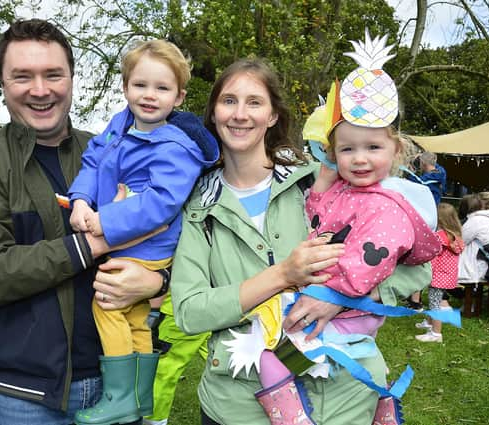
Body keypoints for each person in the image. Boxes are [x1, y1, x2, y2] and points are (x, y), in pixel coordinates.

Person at [171, 57, 432, 425]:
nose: (240, 114)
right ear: (213, 113)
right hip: (240, 404)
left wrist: (339, 300)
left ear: (273, 116)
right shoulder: (198, 206)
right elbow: (189, 311)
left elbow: (415, 267)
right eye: (228, 101)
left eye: (254, 102)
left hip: (346, 398)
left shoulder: (323, 182)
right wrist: (283, 275)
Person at [0, 19, 170, 425]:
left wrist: (160, 281)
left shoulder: (108, 149)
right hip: (28, 398)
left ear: (71, 77)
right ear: (2, 81)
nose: (40, 89)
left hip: (116, 379)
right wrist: (93, 245)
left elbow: (164, 235)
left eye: (53, 74)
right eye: (22, 76)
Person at [67, 39, 219, 424]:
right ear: (125, 87)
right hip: (120, 238)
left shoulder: (174, 146)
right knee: (135, 318)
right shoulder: (119, 125)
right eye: (141, 85)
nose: (150, 96)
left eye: (162, 88)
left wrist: (106, 221)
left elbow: (161, 202)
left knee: (106, 306)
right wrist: (82, 200)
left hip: (149, 244)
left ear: (179, 96)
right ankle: (139, 398)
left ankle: (118, 395)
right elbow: (92, 160)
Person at [415, 203, 464, 342]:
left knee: (435, 304)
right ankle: (430, 323)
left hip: (437, 276)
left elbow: (433, 257)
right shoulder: (456, 237)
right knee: (434, 301)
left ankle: (436, 334)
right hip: (447, 276)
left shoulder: (439, 236)